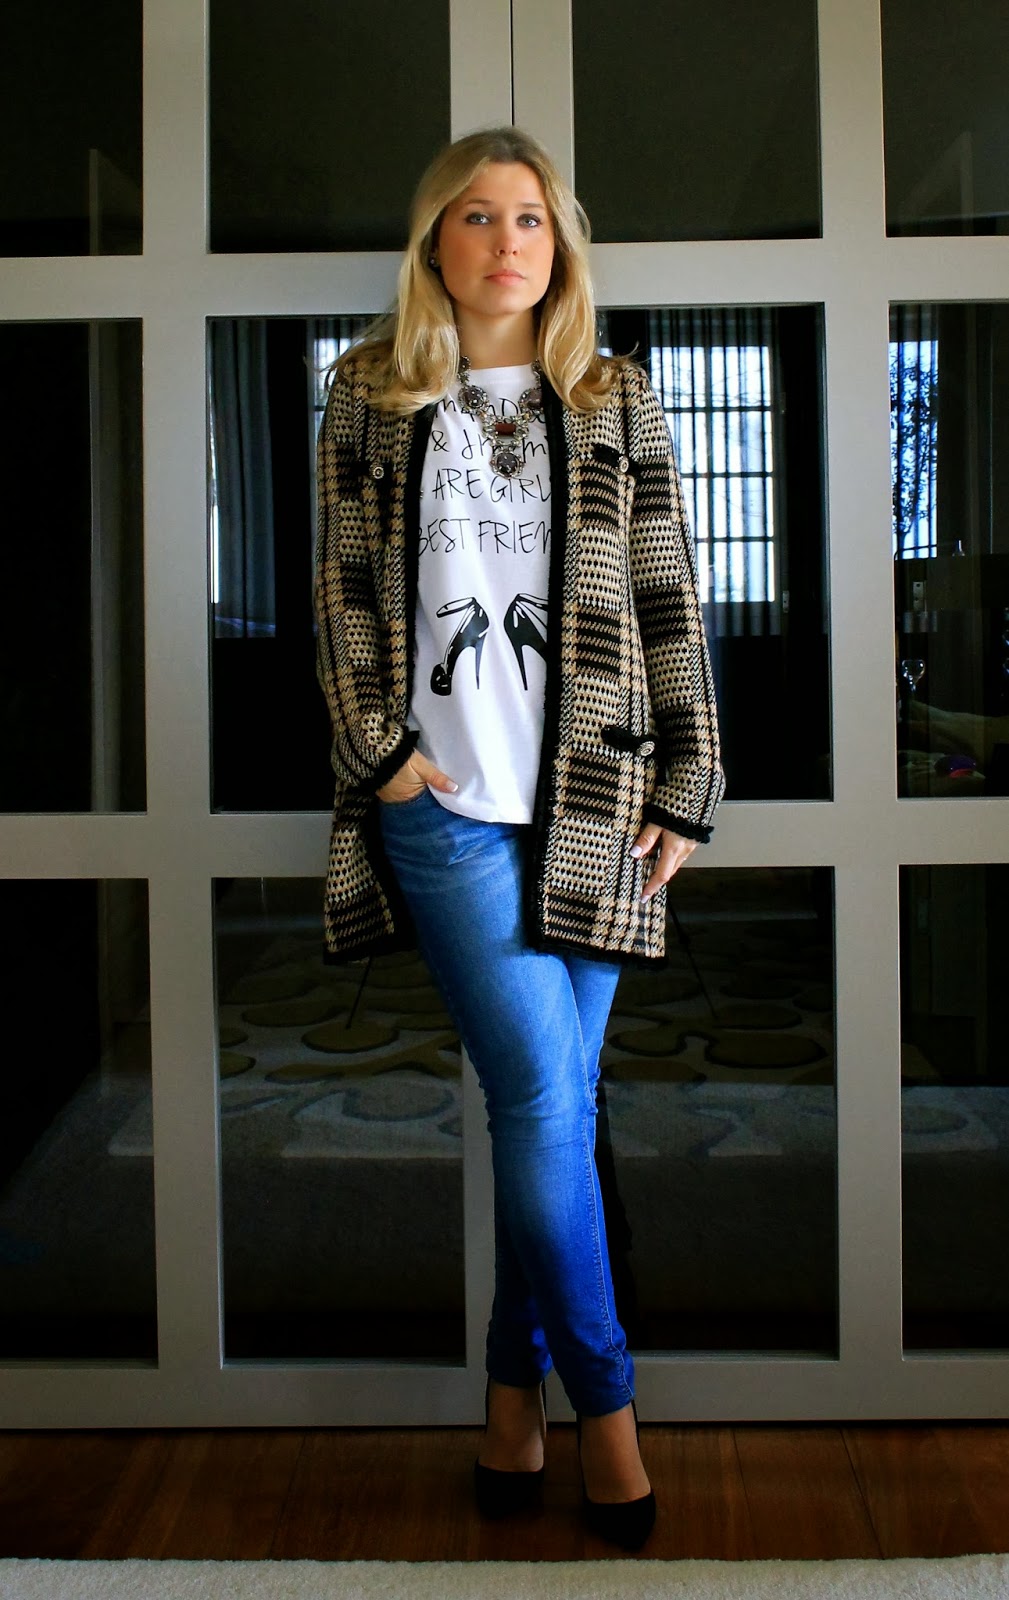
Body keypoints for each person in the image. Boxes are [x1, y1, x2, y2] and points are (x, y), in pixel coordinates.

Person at [313, 125, 724, 1550]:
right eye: (478, 216)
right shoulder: (368, 396)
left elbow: (669, 594)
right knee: (547, 1108)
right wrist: (380, 754)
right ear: (437, 241)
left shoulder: (613, 395)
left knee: (547, 1111)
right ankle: (608, 1415)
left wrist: (688, 780)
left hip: (597, 806)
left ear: (561, 245)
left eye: (531, 218)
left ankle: (508, 1402)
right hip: (445, 810)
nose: (506, 241)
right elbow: (341, 598)